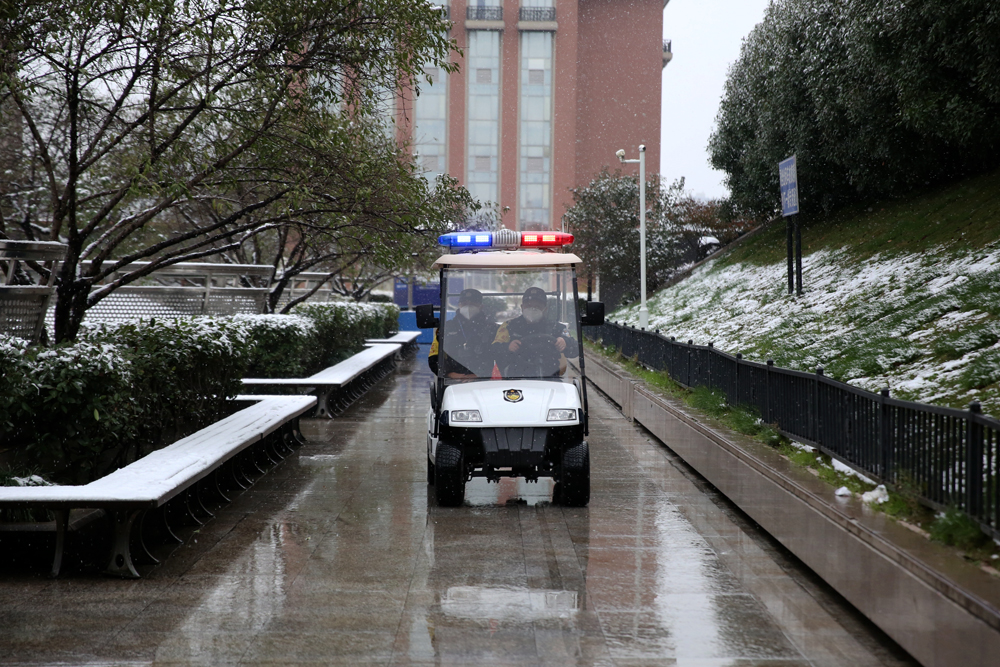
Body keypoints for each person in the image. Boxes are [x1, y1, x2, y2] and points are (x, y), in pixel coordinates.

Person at [492, 286, 579, 378]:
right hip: (516, 381)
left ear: (545, 309)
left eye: (537, 306)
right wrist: (507, 347)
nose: (532, 309)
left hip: (550, 381)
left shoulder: (556, 328)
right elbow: (492, 351)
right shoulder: (508, 327)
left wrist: (565, 342)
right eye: (529, 305)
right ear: (522, 307)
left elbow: (576, 350)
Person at [428, 288, 499, 379]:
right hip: (452, 382)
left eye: (473, 302)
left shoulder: (493, 329)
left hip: (484, 382)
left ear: (481, 306)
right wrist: (450, 374)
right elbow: (434, 357)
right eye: (464, 302)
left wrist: (480, 375)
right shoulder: (446, 328)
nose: (468, 305)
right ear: (459, 305)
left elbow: (502, 357)